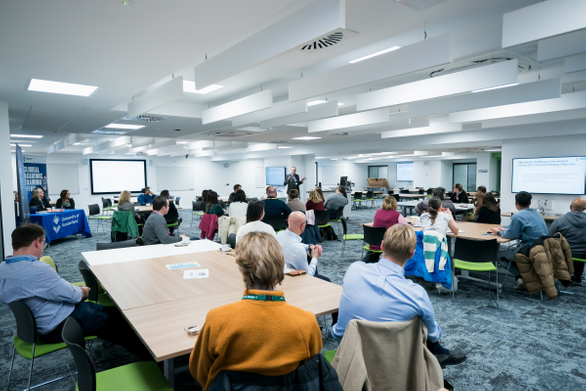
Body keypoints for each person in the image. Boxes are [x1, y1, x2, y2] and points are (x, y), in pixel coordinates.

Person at [189, 232, 322, 389]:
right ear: (281, 266)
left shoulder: (217, 319)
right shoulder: (306, 322)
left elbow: (200, 372)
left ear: (242, 268)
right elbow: (312, 371)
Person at [0, 224, 150, 359]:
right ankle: (154, 359)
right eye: (43, 244)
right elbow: (74, 295)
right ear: (36, 242)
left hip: (44, 321)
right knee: (117, 323)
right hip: (60, 325)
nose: (42, 249)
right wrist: (83, 291)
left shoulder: (2, 269)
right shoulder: (37, 270)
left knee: (117, 313)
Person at [331, 224, 466, 367]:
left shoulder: (354, 269)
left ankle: (439, 353)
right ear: (412, 254)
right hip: (386, 359)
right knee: (419, 321)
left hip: (347, 345)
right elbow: (435, 335)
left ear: (382, 246)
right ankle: (438, 354)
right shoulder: (416, 293)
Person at [490, 191, 548, 289]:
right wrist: (508, 230)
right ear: (530, 202)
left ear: (516, 203)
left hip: (529, 250)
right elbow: (530, 232)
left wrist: (498, 232)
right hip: (545, 249)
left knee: (497, 256)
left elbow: (510, 235)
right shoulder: (538, 215)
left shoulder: (517, 216)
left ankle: (521, 276)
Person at [276, 212, 329, 281]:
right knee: (327, 280)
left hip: (280, 273)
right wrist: (315, 257)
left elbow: (291, 244)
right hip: (295, 279)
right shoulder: (299, 250)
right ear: (303, 226)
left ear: (288, 221)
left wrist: (309, 246)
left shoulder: (280, 234)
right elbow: (308, 275)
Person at [548, 198, 586, 285]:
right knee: (580, 247)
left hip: (564, 253)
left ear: (570, 207)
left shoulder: (559, 221)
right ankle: (577, 277)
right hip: (584, 254)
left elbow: (549, 237)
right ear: (584, 209)